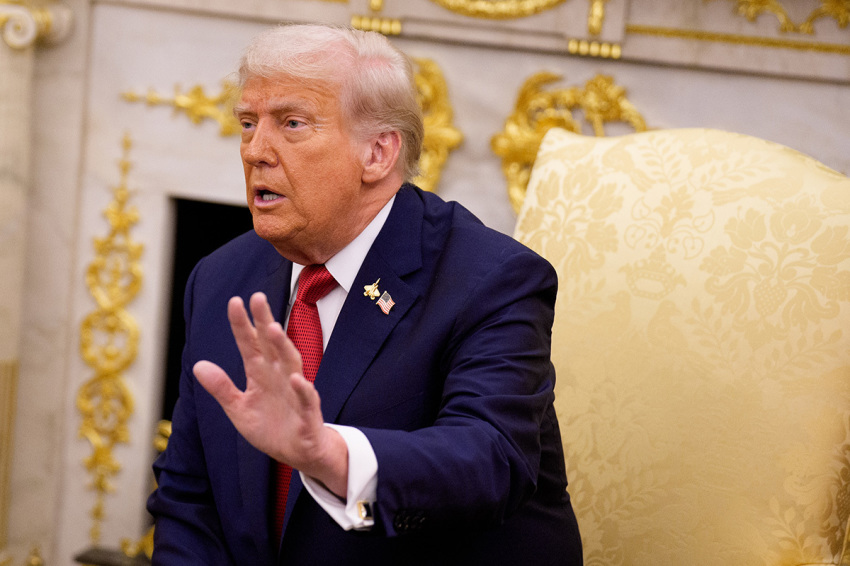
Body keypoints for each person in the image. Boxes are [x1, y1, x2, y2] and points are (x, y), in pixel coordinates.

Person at [147, 23, 582, 565]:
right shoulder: (221, 277)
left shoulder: (491, 280)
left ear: (377, 153)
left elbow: (490, 461)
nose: (256, 150)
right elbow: (189, 500)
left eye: (292, 123)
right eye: (248, 124)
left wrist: (328, 454)